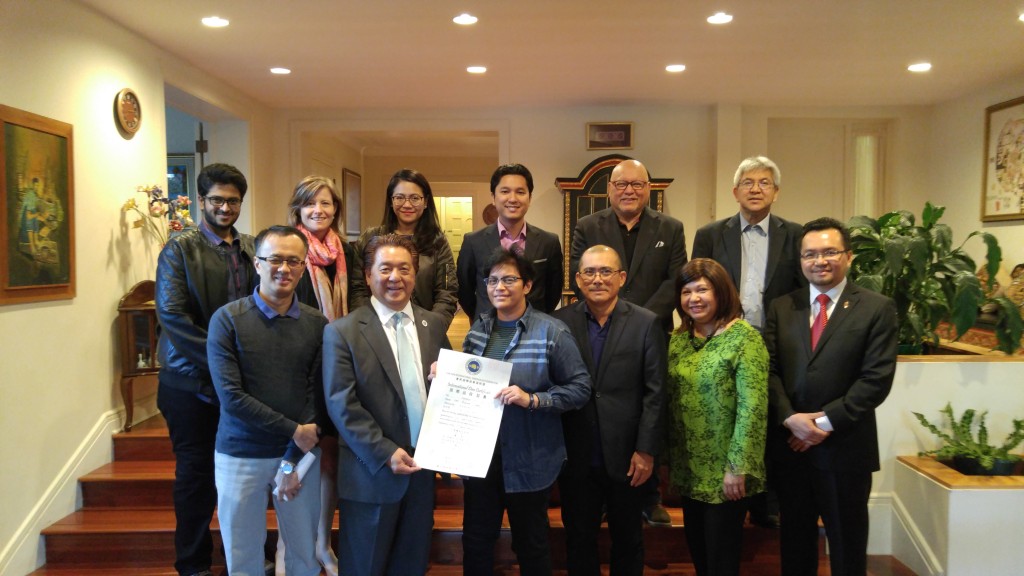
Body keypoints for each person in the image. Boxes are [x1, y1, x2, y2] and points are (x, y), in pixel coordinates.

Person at [764, 217, 898, 576]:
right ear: (800, 259)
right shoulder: (782, 307)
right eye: (810, 254)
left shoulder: (876, 307)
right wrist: (791, 419)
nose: (819, 261)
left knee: (847, 544)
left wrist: (821, 424)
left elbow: (876, 379)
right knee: (794, 540)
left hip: (845, 447)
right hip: (790, 447)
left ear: (849, 257)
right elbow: (769, 371)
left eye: (829, 252)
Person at [323, 234, 451, 576]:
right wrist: (384, 452)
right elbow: (342, 404)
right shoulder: (343, 331)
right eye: (386, 268)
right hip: (371, 472)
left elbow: (450, 391)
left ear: (415, 274)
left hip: (422, 471)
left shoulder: (433, 325)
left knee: (411, 565)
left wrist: (446, 380)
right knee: (364, 567)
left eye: (404, 268)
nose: (395, 277)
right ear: (368, 276)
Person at [569, 158, 687, 526]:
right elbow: (578, 272)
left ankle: (648, 496)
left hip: (650, 332)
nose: (629, 191)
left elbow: (675, 279)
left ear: (648, 189)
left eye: (637, 184)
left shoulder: (670, 226)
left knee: (647, 403)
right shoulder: (589, 225)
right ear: (610, 189)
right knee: (606, 405)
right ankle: (604, 494)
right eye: (621, 185)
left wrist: (639, 319)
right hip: (599, 329)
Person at [690, 155, 805, 528]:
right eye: (749, 183)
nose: (756, 189)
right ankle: (730, 491)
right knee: (730, 414)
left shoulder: (795, 234)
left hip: (776, 340)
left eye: (764, 183)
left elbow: (802, 292)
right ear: (735, 191)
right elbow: (697, 284)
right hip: (725, 337)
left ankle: (765, 499)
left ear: (776, 191)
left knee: (769, 414)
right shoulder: (711, 233)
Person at [461, 248, 591, 576]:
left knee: (531, 544)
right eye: (492, 280)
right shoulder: (478, 330)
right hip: (482, 458)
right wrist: (446, 376)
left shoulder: (551, 332)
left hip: (531, 456)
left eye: (509, 279)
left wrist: (532, 399)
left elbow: (580, 388)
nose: (499, 287)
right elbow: (467, 382)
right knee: (476, 541)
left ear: (528, 285)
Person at [207, 225, 327, 576]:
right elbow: (231, 397)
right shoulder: (227, 320)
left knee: (304, 555)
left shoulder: (317, 324)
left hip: (298, 458)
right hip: (239, 454)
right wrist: (294, 430)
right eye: (274, 259)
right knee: (242, 557)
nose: (284, 269)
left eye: (293, 261)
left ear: (304, 267)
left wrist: (291, 459)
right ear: (256, 263)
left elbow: (317, 393)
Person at [155, 163, 256, 576]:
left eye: (233, 201)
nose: (225, 207)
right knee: (196, 478)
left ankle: (244, 558)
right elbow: (174, 317)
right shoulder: (179, 248)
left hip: (242, 386)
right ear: (201, 201)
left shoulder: (251, 247)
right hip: (190, 384)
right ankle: (193, 563)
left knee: (245, 477)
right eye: (217, 199)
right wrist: (223, 366)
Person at [553, 245, 666, 576]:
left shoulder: (646, 323)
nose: (597, 279)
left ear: (621, 277)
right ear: (577, 279)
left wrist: (646, 451)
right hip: (576, 453)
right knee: (578, 538)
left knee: (628, 539)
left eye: (605, 272)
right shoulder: (560, 322)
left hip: (629, 456)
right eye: (589, 272)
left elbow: (655, 392)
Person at [281, 175, 369, 575]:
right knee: (301, 458)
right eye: (310, 203)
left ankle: (322, 541)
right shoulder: (287, 249)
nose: (319, 210)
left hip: (337, 365)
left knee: (332, 458)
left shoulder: (345, 252)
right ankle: (291, 544)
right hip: (298, 367)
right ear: (298, 208)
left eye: (327, 204)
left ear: (336, 209)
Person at [667, 258, 768, 576]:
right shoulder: (679, 339)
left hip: (726, 473)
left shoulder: (745, 339)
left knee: (721, 559)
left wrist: (737, 467)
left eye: (702, 289)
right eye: (686, 291)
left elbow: (753, 408)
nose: (693, 298)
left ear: (721, 292)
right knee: (698, 551)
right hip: (688, 468)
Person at [457, 163, 564, 321]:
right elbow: (464, 291)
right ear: (493, 197)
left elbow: (553, 292)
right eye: (505, 191)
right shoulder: (473, 241)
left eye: (520, 192)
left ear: (529, 198)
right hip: (488, 329)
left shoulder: (549, 242)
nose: (513, 199)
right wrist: (482, 317)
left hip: (534, 331)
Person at [356, 168, 458, 326]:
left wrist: (430, 327)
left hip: (424, 326)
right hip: (376, 328)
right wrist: (370, 326)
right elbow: (358, 289)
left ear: (425, 202)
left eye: (415, 198)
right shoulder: (370, 238)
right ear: (391, 201)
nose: (407, 204)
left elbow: (447, 291)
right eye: (399, 198)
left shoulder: (437, 242)